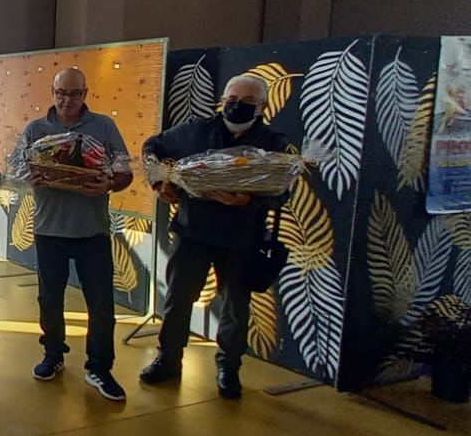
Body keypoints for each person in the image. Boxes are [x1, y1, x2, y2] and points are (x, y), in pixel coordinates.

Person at [139, 74, 288, 399]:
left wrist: (248, 200)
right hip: (193, 232)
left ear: (262, 106)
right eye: (231, 100)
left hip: (243, 238)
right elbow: (153, 145)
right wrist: (159, 182)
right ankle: (168, 360)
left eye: (247, 102)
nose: (236, 106)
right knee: (178, 300)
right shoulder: (196, 130)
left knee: (236, 308)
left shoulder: (273, 144)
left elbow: (282, 191)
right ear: (221, 100)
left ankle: (229, 369)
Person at [21, 68, 134, 400]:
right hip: (49, 229)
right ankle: (53, 354)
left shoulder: (104, 127)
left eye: (73, 93)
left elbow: (124, 171)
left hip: (92, 231)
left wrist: (109, 183)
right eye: (61, 93)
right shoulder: (36, 129)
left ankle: (99, 367)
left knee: (101, 304)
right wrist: (30, 177)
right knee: (49, 300)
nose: (66, 100)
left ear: (85, 93)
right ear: (52, 92)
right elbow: (19, 169)